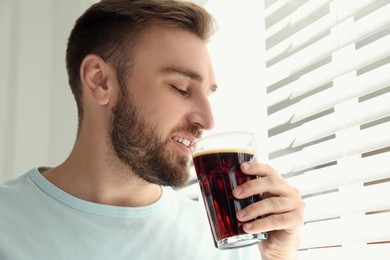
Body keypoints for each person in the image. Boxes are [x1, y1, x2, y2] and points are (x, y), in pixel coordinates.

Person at [0, 0, 304, 259]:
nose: (208, 121)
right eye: (180, 87)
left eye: (208, 93)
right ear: (99, 81)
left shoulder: (228, 242)